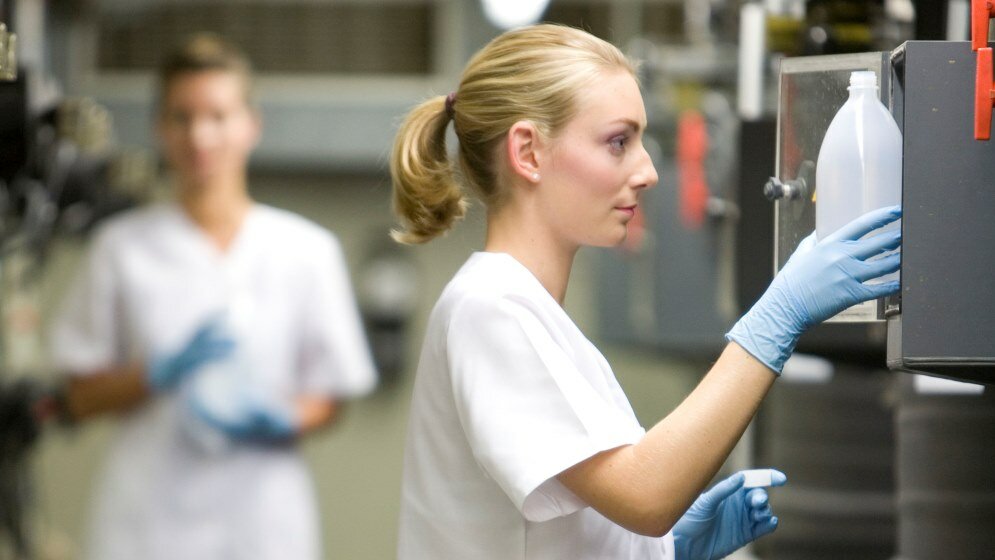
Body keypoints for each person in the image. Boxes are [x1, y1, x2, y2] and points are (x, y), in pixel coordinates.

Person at [389, 24, 901, 560]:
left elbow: (572, 524)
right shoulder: (489, 309)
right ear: (528, 152)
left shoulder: (524, 311)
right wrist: (780, 314)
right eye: (618, 142)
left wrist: (660, 549)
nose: (649, 171)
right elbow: (645, 493)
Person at [49, 34, 376, 560]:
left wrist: (280, 416)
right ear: (160, 127)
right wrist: (152, 373)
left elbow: (331, 394)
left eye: (218, 116)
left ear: (251, 124)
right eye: (182, 116)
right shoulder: (120, 247)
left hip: (264, 525)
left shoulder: (307, 250)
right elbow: (78, 395)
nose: (200, 135)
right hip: (145, 525)